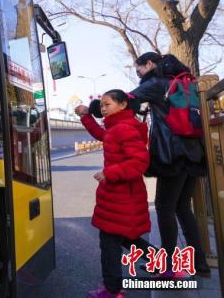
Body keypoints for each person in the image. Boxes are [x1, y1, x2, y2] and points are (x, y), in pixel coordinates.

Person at [130, 53, 210, 277]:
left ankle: (167, 266)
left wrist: (96, 108)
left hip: (171, 155)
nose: (139, 76)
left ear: (149, 64)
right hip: (194, 153)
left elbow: (125, 99)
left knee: (165, 208)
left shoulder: (156, 83)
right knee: (183, 208)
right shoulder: (188, 83)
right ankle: (199, 264)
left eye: (140, 71)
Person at [75, 90, 150, 298]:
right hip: (121, 196)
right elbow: (101, 135)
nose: (103, 108)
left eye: (107, 104)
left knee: (110, 244)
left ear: (123, 105)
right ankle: (167, 264)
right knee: (126, 239)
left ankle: (112, 290)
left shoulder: (123, 128)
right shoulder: (117, 127)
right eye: (101, 106)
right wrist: (85, 116)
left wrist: (110, 173)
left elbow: (139, 162)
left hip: (121, 196)